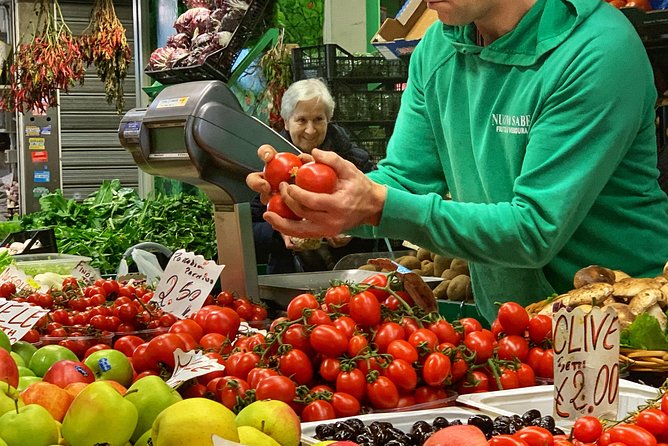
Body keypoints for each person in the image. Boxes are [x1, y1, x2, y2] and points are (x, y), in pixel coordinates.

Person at [248, 0, 668, 322]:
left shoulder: (596, 50)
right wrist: (322, 198)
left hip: (627, 325)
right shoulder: (438, 47)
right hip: (511, 323)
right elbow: (406, 180)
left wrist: (375, 205)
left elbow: (535, 230)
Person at [252, 78, 378, 274]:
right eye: (301, 120)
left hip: (347, 273)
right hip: (287, 276)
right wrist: (279, 231)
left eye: (318, 119)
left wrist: (354, 231)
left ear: (328, 119)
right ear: (286, 122)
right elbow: (248, 227)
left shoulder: (353, 163)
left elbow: (378, 214)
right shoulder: (270, 165)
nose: (310, 130)